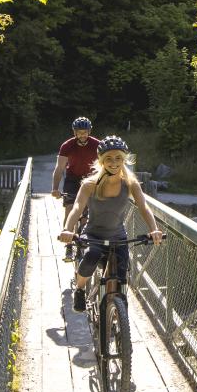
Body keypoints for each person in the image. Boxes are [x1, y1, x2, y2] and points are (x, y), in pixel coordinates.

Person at [57, 135, 164, 313]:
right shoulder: (89, 184)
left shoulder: (131, 184)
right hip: (93, 235)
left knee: (122, 272)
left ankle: (117, 309)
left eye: (118, 158)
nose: (113, 162)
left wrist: (154, 230)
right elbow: (77, 208)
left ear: (124, 160)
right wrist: (68, 229)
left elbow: (144, 207)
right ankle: (80, 289)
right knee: (91, 256)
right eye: (108, 158)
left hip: (118, 236)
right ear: (101, 161)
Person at [52, 117, 99, 261]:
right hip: (72, 179)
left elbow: (104, 166)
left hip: (90, 180)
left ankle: (83, 243)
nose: (82, 135)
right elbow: (59, 168)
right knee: (70, 209)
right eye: (79, 132)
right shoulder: (67, 146)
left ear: (89, 132)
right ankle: (68, 245)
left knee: (86, 214)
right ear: (75, 133)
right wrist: (55, 188)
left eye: (85, 132)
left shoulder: (97, 145)